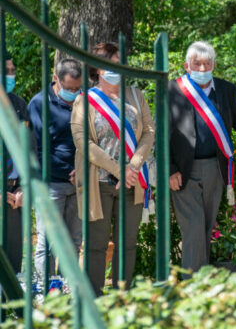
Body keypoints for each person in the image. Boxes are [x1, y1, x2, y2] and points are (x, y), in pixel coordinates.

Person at [71, 42, 154, 292]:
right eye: (109, 62)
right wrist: (120, 169)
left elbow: (148, 132)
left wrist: (134, 165)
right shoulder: (84, 100)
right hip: (99, 183)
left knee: (127, 243)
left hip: (131, 183)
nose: (115, 67)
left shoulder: (136, 96)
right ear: (96, 68)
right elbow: (82, 141)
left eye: (119, 62)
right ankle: (94, 299)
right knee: (96, 244)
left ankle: (122, 297)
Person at [169, 41, 236, 273]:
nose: (203, 69)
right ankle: (193, 285)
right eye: (197, 64)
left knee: (205, 227)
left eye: (207, 64)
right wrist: (170, 168)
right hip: (183, 170)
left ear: (214, 65)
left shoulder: (226, 89)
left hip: (216, 168)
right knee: (193, 228)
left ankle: (201, 282)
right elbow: (162, 131)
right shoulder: (173, 89)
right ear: (187, 65)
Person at [28, 57, 83, 277]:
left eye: (77, 89)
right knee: (49, 241)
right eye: (68, 88)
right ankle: (47, 290)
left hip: (79, 183)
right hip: (51, 184)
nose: (73, 93)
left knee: (74, 241)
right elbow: (37, 150)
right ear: (55, 79)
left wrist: (81, 170)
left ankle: (68, 288)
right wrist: (67, 171)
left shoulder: (83, 101)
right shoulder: (39, 104)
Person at [3, 55, 32, 273]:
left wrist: (23, 186)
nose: (10, 75)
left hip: (15, 194)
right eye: (6, 70)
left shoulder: (19, 104)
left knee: (12, 261)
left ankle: (8, 306)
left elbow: (28, 148)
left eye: (13, 70)